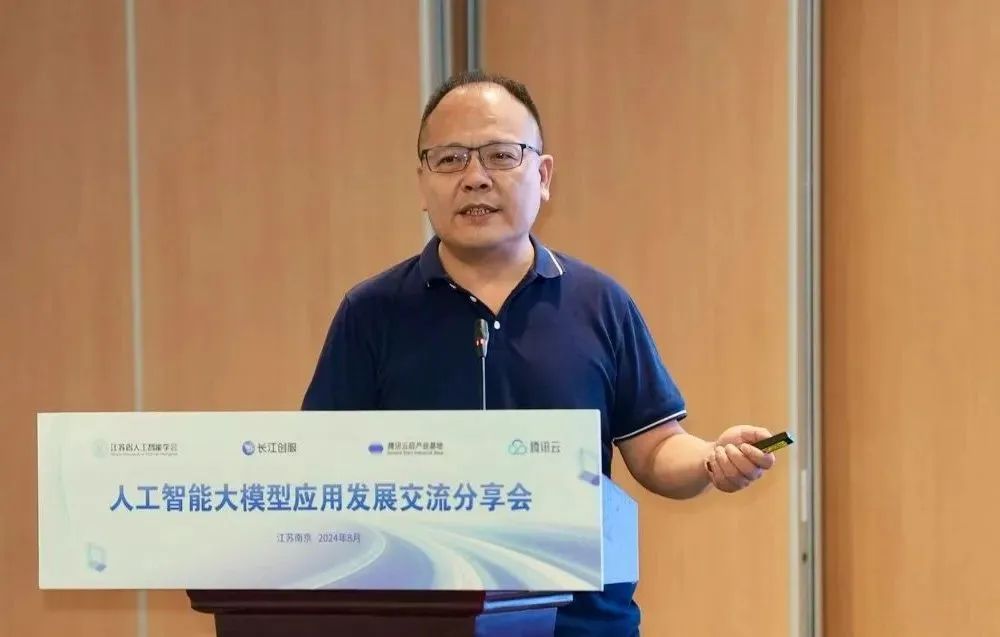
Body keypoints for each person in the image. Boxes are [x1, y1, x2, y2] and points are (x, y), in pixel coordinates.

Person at [301, 69, 777, 637]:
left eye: (501, 155)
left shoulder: (599, 303)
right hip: (422, 622)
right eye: (450, 159)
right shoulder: (371, 311)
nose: (475, 178)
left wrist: (711, 460)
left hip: (579, 623)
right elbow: (324, 466)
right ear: (422, 182)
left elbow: (655, 449)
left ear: (543, 175)